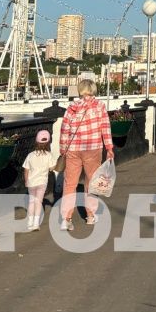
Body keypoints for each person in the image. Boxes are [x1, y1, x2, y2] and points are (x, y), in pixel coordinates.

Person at [59, 79, 113, 231]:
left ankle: (66, 219)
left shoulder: (72, 107)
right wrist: (109, 148)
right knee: (91, 182)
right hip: (93, 148)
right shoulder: (100, 106)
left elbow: (65, 130)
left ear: (80, 90)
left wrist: (63, 149)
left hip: (73, 149)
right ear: (94, 90)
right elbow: (105, 128)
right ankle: (90, 216)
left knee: (70, 184)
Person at [22, 130, 54, 231]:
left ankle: (29, 223)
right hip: (42, 182)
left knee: (31, 202)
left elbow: (26, 169)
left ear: (36, 142)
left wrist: (26, 181)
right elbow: (52, 168)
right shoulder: (49, 155)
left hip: (31, 182)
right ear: (48, 143)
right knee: (39, 202)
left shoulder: (30, 155)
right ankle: (36, 224)